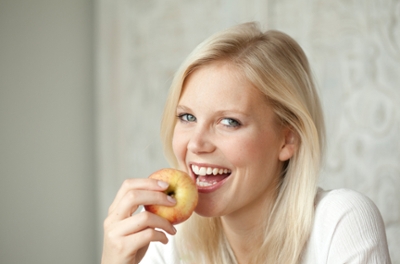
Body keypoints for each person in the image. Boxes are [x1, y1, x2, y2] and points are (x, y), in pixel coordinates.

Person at [101, 22, 392, 264]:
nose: (197, 143)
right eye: (187, 117)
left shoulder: (340, 222)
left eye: (229, 122)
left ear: (287, 139)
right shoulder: (165, 241)